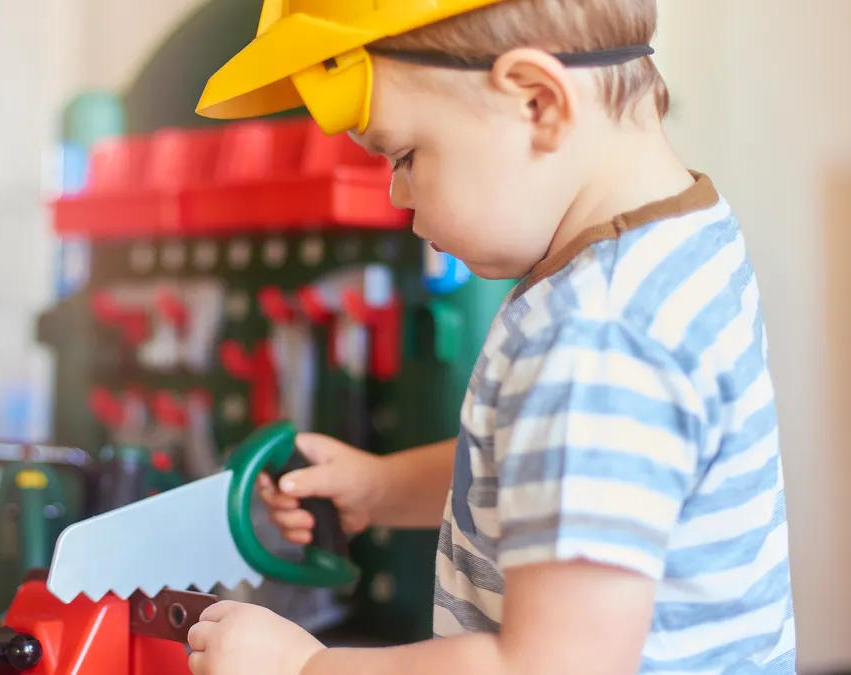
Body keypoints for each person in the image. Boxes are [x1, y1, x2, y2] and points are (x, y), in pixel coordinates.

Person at [183, 1, 795, 675]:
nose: (396, 195)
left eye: (406, 155)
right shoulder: (675, 241)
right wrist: (381, 487)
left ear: (537, 102)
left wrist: (304, 667)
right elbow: (546, 469)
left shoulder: (595, 337)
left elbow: (551, 667)